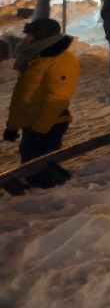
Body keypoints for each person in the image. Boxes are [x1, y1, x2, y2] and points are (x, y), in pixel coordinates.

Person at [4, 19, 79, 193]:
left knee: (43, 170)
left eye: (30, 36)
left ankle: (53, 203)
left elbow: (57, 99)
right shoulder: (38, 57)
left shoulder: (62, 61)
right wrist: (13, 126)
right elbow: (25, 98)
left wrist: (40, 130)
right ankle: (38, 196)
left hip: (49, 125)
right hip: (32, 124)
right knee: (32, 166)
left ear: (43, 37)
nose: (25, 39)